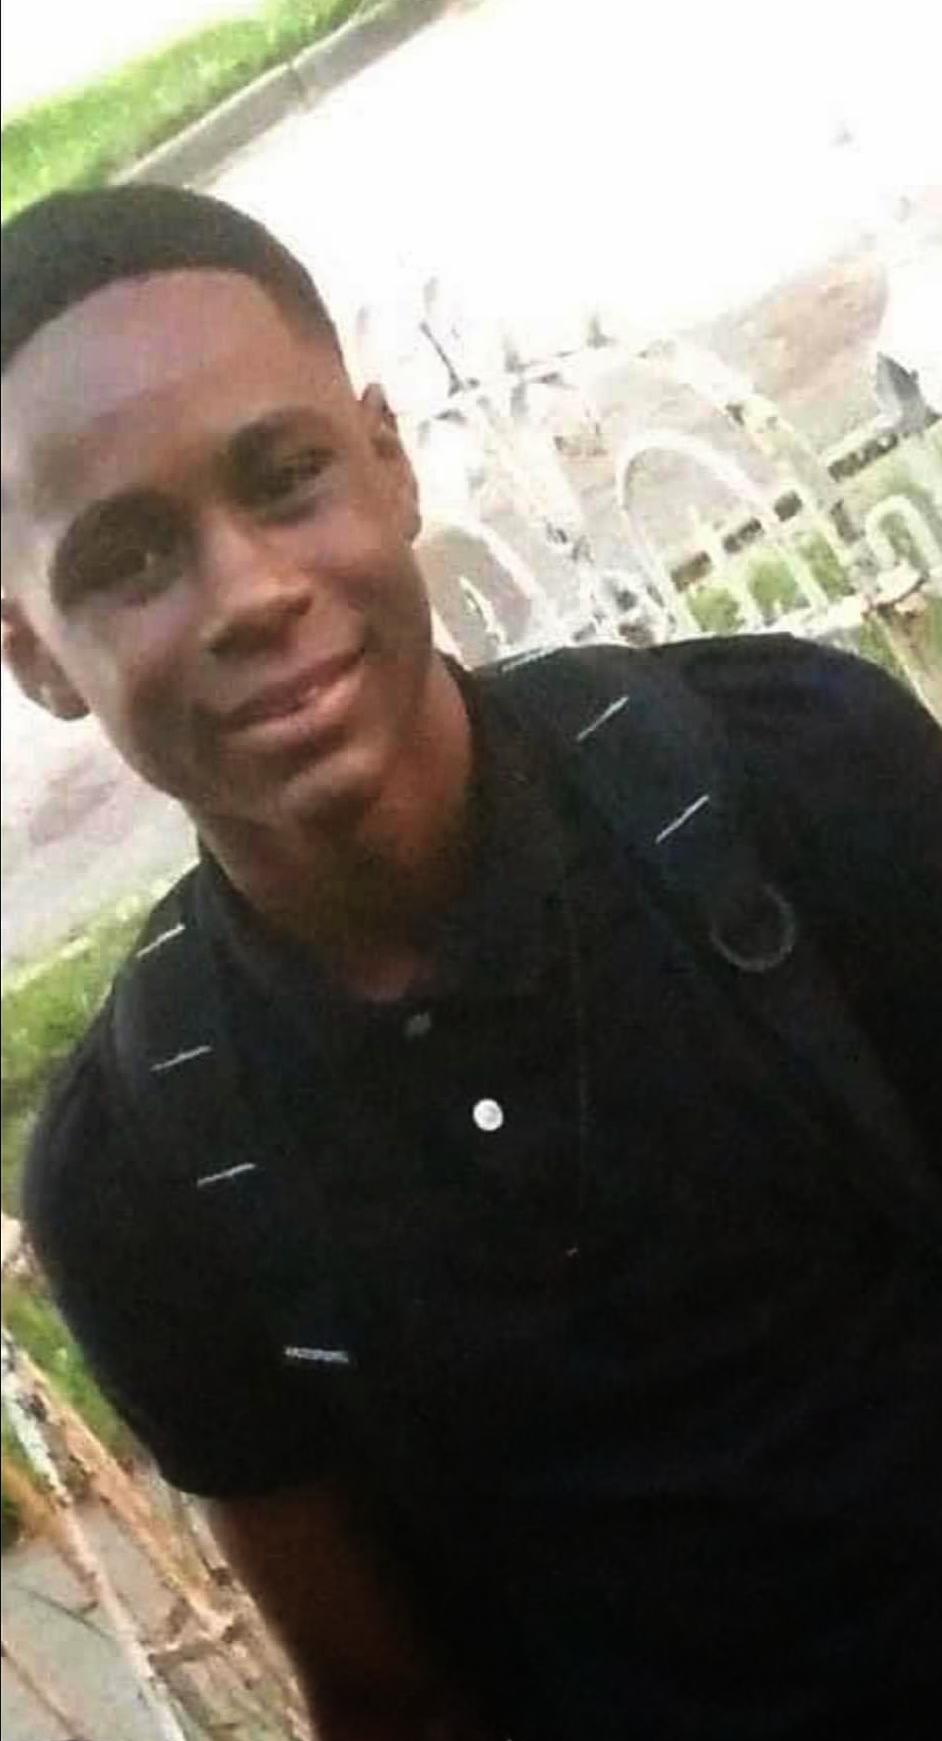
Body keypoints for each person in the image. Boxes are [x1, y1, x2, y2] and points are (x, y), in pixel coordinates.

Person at [2, 184, 941, 1741]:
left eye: (285, 478)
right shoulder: (147, 1170)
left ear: (386, 458)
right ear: (33, 649)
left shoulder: (790, 778)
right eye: (130, 559)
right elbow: (386, 1699)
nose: (250, 593)